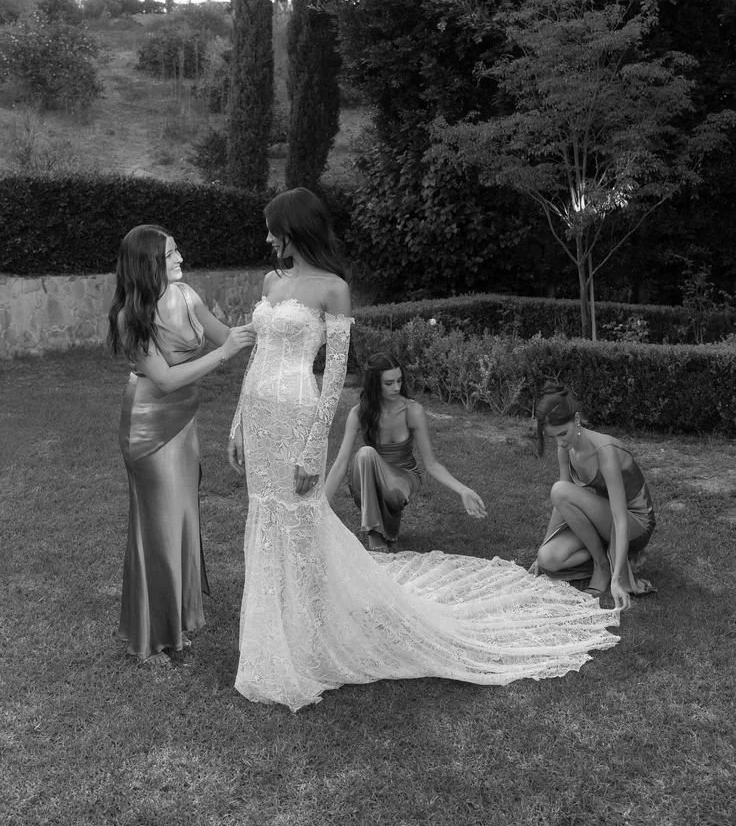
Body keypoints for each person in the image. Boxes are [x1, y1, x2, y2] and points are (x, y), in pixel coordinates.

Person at [227, 188, 621, 713]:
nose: (267, 237)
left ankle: (309, 635)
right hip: (258, 415)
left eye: (272, 227)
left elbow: (333, 380)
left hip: (298, 414)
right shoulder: (271, 282)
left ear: (294, 229)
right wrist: (235, 423)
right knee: (266, 517)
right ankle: (271, 637)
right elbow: (255, 358)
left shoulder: (334, 289)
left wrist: (310, 448)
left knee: (298, 521)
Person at [108, 224, 254, 665]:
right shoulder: (129, 316)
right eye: (170, 253)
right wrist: (225, 354)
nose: (179, 258)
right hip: (150, 427)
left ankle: (178, 620)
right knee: (158, 528)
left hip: (184, 423)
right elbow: (168, 380)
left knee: (183, 520)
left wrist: (275, 323)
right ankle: (152, 637)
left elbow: (228, 334)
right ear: (148, 262)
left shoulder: (187, 296)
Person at [323, 352, 487, 551]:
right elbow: (341, 463)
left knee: (370, 460)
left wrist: (464, 490)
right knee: (365, 454)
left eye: (399, 381)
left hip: (403, 478)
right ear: (375, 384)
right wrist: (320, 508)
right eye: (389, 383)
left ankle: (383, 525)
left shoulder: (412, 410)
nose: (397, 387)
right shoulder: (358, 413)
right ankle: (376, 532)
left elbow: (432, 464)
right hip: (367, 479)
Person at [531, 384, 656, 610]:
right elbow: (561, 505)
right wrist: (542, 548)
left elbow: (619, 518)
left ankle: (604, 567)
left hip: (634, 522)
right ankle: (614, 559)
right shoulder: (565, 448)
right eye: (553, 437)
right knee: (547, 558)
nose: (560, 442)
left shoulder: (604, 451)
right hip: (602, 519)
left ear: (576, 419)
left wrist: (618, 580)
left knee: (559, 489)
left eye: (563, 433)